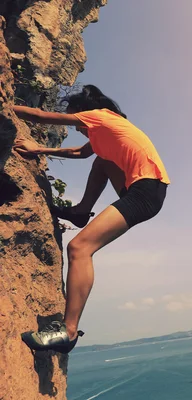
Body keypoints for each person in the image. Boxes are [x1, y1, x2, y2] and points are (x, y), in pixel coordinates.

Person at [12, 85, 170, 353]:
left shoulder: (101, 116)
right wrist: (39, 150)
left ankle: (68, 331)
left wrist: (6, 107)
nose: (79, 129)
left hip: (146, 190)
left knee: (80, 248)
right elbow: (79, 153)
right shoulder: (104, 132)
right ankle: (81, 211)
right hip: (141, 188)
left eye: (77, 122)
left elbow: (39, 116)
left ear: (83, 113)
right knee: (101, 160)